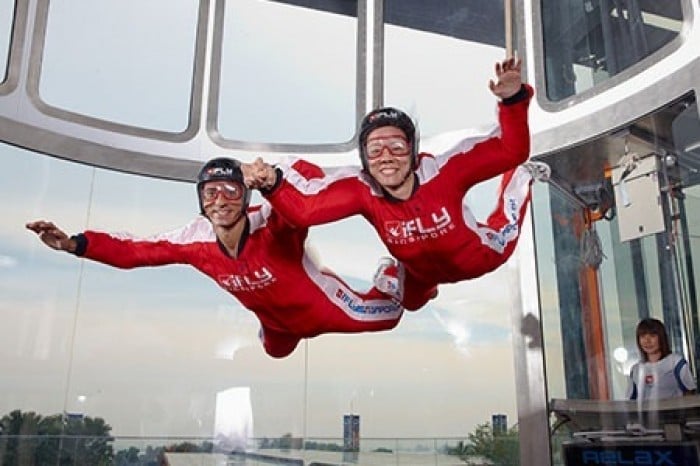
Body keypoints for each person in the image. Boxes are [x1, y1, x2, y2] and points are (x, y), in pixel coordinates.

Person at [244, 57, 549, 310]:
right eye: (375, 151)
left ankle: (521, 177)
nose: (386, 157)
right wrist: (271, 182)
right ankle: (403, 277)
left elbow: (511, 149)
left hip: (478, 257)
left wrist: (513, 100)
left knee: (508, 213)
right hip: (419, 273)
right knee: (412, 304)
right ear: (364, 159)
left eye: (397, 147)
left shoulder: (444, 171)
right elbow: (306, 211)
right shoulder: (363, 190)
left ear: (413, 152)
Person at [26, 157, 403, 359]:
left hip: (324, 307)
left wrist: (274, 179)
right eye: (210, 193)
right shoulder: (196, 239)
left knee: (390, 318)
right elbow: (135, 250)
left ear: (246, 197)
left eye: (230, 192)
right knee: (276, 353)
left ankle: (392, 268)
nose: (220, 201)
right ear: (200, 200)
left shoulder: (271, 223)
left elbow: (304, 189)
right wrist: (74, 244)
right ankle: (274, 327)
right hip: (275, 323)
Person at [626, 317, 696, 400]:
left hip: (673, 412)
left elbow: (690, 392)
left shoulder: (675, 362)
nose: (647, 341)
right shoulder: (636, 369)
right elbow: (631, 400)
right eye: (643, 336)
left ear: (661, 338)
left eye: (652, 336)